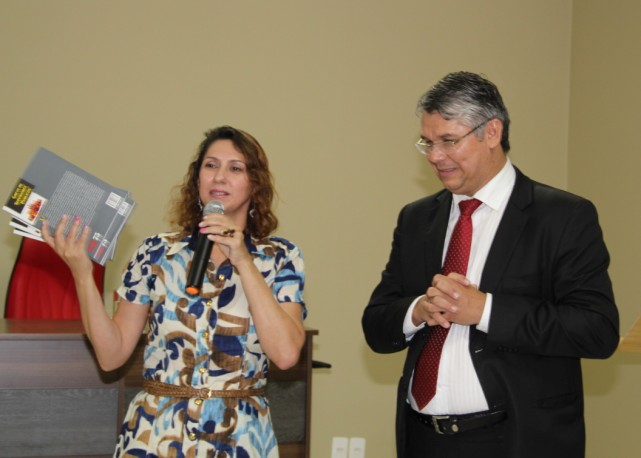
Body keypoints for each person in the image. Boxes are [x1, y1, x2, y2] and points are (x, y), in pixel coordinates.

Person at [361, 71, 619, 458]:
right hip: (422, 439)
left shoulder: (563, 216)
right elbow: (376, 326)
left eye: (449, 141)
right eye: (428, 143)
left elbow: (596, 330)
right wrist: (418, 310)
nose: (434, 156)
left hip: (515, 439)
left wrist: (485, 311)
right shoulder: (416, 219)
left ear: (492, 132)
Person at [42, 125, 306, 457]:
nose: (219, 176)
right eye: (211, 165)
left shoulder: (281, 258)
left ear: (255, 183)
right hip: (155, 435)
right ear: (197, 179)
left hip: (240, 438)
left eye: (235, 168)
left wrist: (242, 259)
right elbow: (111, 356)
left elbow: (285, 354)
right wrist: (83, 275)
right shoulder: (156, 252)